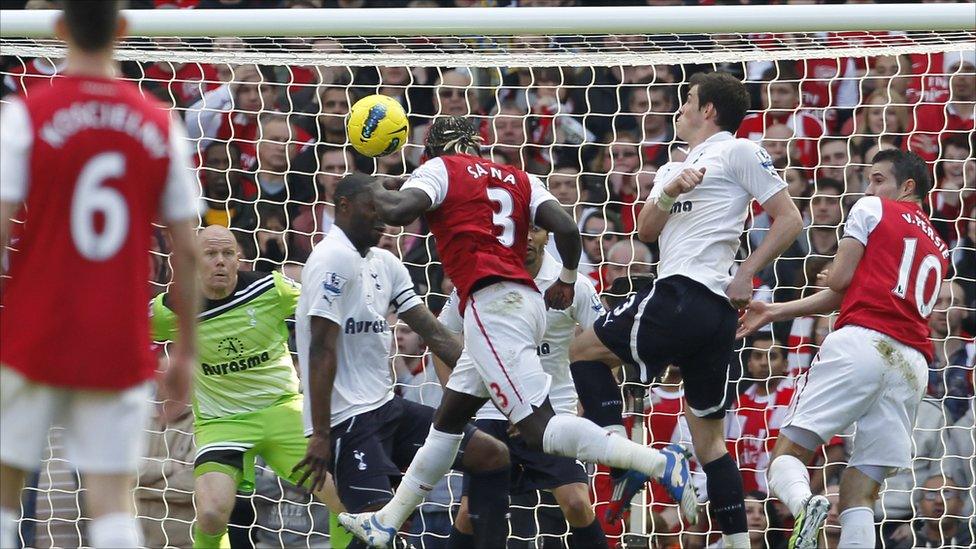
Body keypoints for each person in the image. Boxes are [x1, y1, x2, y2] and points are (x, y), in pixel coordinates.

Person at [339, 116, 694, 547]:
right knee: (447, 421)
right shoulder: (518, 176)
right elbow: (565, 226)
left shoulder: (440, 170)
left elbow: (395, 213)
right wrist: (565, 277)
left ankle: (658, 462)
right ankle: (387, 521)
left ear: (434, 150)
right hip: (521, 301)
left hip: (493, 305)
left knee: (539, 429)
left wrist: (368, 180)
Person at [570, 70, 805, 549]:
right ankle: (739, 544)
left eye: (687, 101)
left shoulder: (736, 149)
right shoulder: (671, 168)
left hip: (688, 293)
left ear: (708, 110)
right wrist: (671, 186)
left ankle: (624, 461)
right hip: (710, 317)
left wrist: (748, 273)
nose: (679, 110)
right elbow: (645, 230)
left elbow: (790, 219)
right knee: (710, 442)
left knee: (582, 351)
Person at [0, 3, 200, 548]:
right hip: (118, 335)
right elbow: (186, 249)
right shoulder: (161, 124)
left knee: (4, 490)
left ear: (59, 29)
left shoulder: (27, 113)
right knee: (113, 500)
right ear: (124, 30)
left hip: (33, 328)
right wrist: (184, 350)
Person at [737, 149, 950, 548]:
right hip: (912, 364)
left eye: (877, 179)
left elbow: (840, 281)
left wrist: (834, 271)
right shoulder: (939, 245)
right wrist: (775, 311)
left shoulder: (872, 208)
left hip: (862, 343)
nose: (868, 188)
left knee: (787, 456)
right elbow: (850, 292)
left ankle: (805, 505)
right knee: (859, 492)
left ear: (907, 186)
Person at [294, 173, 512, 549]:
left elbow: (436, 334)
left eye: (387, 208)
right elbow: (320, 348)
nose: (384, 217)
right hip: (347, 422)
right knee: (382, 533)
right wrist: (320, 434)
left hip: (386, 409)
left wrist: (506, 393)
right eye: (373, 206)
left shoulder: (386, 262)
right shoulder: (330, 259)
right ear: (343, 206)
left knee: (490, 455)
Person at [150, 225, 343, 548]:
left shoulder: (271, 289)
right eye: (210, 254)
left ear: (239, 259)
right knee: (211, 513)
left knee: (342, 498)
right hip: (222, 424)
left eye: (228, 254)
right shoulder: (172, 307)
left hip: (283, 410)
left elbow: (321, 307)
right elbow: (122, 332)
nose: (221, 262)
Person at [437, 225, 609, 548]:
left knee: (576, 503)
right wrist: (459, 404)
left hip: (550, 413)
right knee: (468, 514)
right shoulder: (478, 280)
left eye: (537, 230)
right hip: (491, 413)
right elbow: (440, 337)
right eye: (521, 230)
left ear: (549, 236)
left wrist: (590, 398)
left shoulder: (574, 285)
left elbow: (605, 341)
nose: (528, 237)